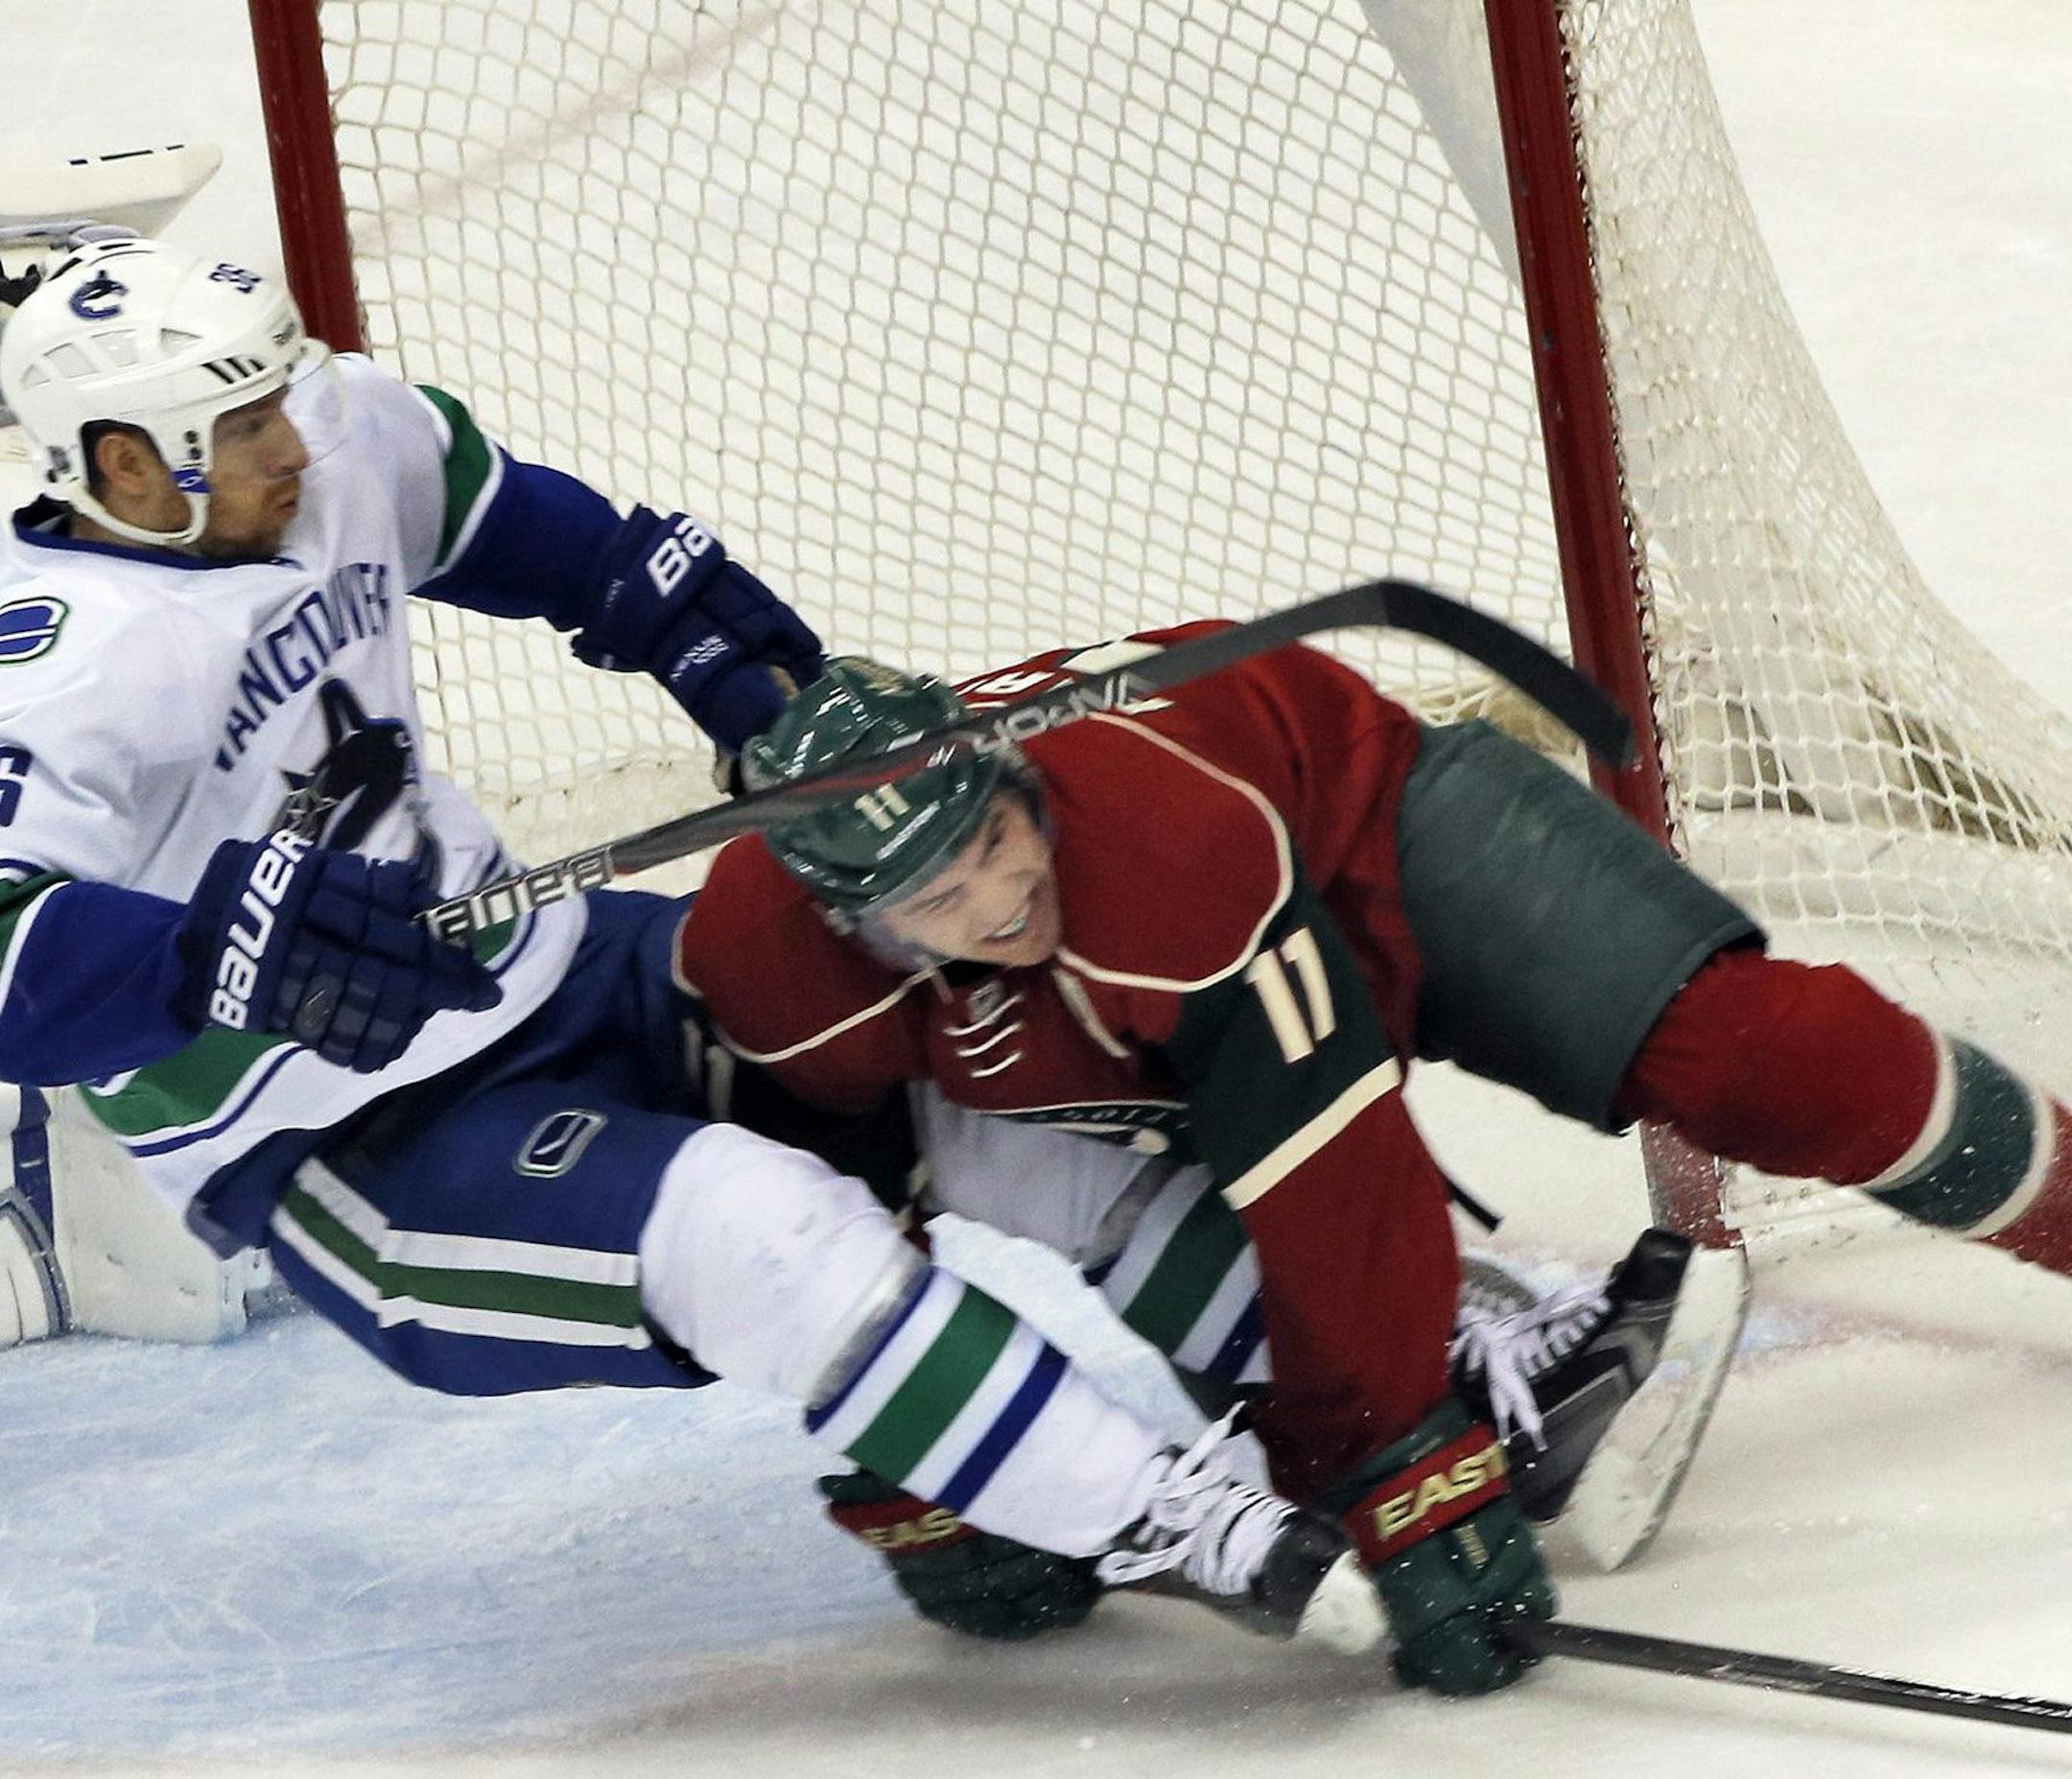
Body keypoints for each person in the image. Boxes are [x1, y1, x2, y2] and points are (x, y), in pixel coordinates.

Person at [0, 235, 1400, 1656]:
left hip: (552, 961)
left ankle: (1409, 1374)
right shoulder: (54, 665)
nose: (291, 443)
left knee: (959, 1077)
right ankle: (1185, 1524)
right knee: (761, 1232)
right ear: (125, 464)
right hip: (338, 1144)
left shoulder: (335, 433)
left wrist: (689, 635)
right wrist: (218, 958)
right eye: (242, 427)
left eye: (277, 402)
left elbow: (548, 541)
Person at [675, 633, 2072, 1693]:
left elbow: (1329, 1168)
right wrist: (917, 1463)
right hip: (1130, 1021)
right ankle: (1491, 1367)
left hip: (1367, 828)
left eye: (998, 835)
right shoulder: (770, 968)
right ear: (852, 920)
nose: (1001, 895)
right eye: (941, 894)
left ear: (1014, 775)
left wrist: (1407, 1471)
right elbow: (821, 1233)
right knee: (1283, 1401)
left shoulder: (1165, 847)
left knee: (1765, 1057)